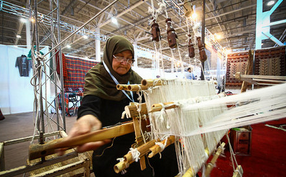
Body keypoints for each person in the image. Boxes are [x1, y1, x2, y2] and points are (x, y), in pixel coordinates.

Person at [64, 36, 178, 177]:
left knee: (170, 153)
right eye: (119, 57)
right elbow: (89, 105)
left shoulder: (133, 78)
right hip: (110, 144)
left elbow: (147, 99)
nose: (124, 63)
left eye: (129, 59)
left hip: (136, 137)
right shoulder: (96, 77)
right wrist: (86, 119)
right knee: (136, 172)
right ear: (109, 54)